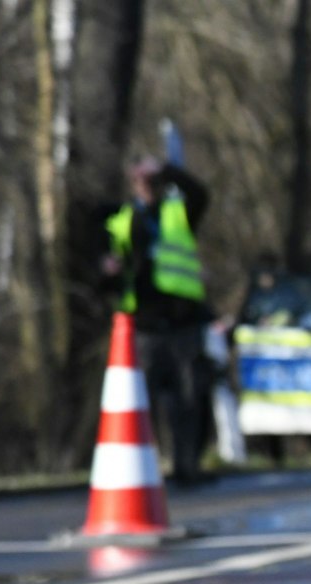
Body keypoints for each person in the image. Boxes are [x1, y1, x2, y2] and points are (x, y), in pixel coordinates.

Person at [103, 156, 215, 486]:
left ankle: (187, 465)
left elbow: (200, 193)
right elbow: (110, 272)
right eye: (141, 181)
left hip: (183, 320)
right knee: (142, 401)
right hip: (145, 325)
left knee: (190, 397)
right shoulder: (123, 220)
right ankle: (144, 470)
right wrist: (106, 271)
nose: (147, 187)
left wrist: (167, 169)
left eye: (151, 181)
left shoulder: (178, 212)